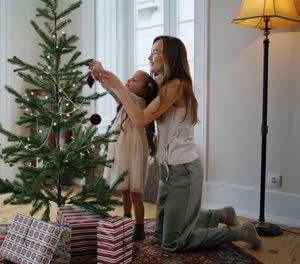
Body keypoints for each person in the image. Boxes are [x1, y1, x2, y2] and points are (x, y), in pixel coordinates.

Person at [90, 35, 262, 251]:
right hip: (167, 171)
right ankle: (221, 214)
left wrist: (117, 84)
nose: (149, 56)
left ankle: (240, 232)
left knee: (173, 242)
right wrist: (105, 80)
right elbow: (129, 105)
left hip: (183, 171)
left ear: (170, 56)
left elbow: (140, 119)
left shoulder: (176, 86)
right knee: (163, 232)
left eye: (155, 52)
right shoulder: (162, 85)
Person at [93, 65, 159, 241]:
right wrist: (100, 78)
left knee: (134, 193)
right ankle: (127, 218)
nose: (129, 81)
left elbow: (119, 89)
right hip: (122, 149)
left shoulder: (138, 102)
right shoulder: (126, 100)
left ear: (145, 91)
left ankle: (139, 227)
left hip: (132, 151)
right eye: (130, 78)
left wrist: (107, 76)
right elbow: (114, 91)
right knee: (124, 189)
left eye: (135, 80)